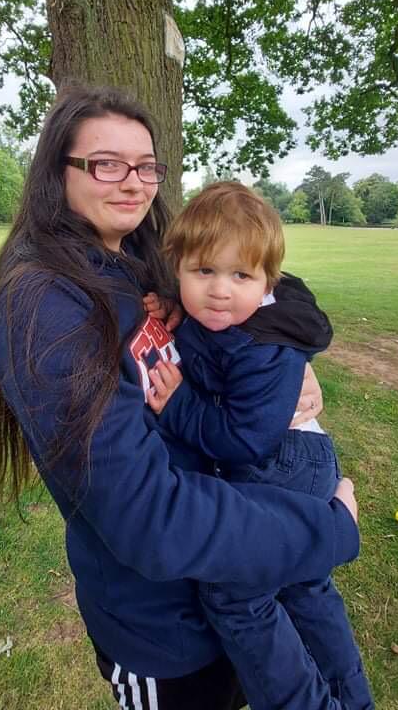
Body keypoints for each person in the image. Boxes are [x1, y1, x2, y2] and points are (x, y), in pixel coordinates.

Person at [0, 83, 360, 710]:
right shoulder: (48, 303)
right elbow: (146, 515)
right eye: (106, 164)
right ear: (57, 171)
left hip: (230, 569)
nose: (133, 182)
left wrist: (285, 358)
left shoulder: (143, 260)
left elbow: (268, 284)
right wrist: (326, 531)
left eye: (146, 166)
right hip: (164, 629)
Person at [146, 182, 373, 710]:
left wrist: (178, 406)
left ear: (268, 280)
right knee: (304, 585)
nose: (219, 291)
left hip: (282, 461)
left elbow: (245, 439)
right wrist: (173, 309)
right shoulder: (230, 317)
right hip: (295, 455)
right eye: (204, 271)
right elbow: (205, 333)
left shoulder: (260, 346)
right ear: (178, 268)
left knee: (233, 591)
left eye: (240, 276)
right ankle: (351, 699)